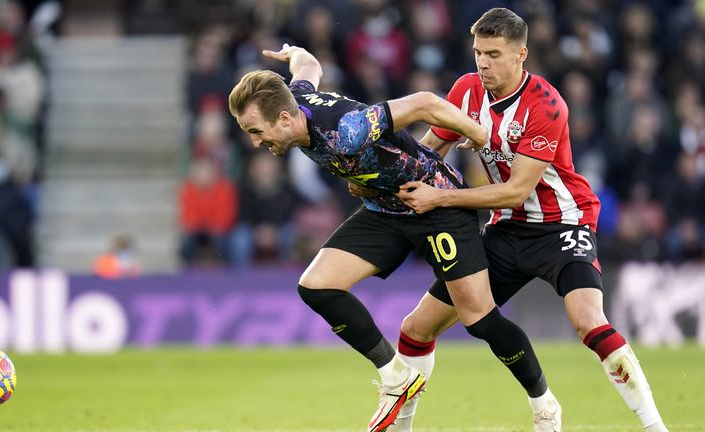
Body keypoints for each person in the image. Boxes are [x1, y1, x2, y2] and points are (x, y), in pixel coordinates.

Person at [228, 44, 561, 432]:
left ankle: (544, 403)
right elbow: (309, 66)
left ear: (284, 119)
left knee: (479, 319)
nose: (255, 142)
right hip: (386, 209)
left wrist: (478, 135)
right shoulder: (296, 96)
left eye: (255, 131)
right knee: (316, 286)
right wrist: (295, 52)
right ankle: (395, 376)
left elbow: (422, 102)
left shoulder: (348, 130)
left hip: (437, 207)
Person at [389, 8, 668, 432]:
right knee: (416, 327)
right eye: (478, 52)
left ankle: (654, 427)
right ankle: (398, 427)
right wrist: (382, 176)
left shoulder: (546, 103)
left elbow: (518, 189)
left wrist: (441, 198)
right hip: (505, 230)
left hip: (563, 225)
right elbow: (428, 153)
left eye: (494, 54)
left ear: (521, 54)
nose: (483, 63)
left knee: (589, 321)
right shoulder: (465, 91)